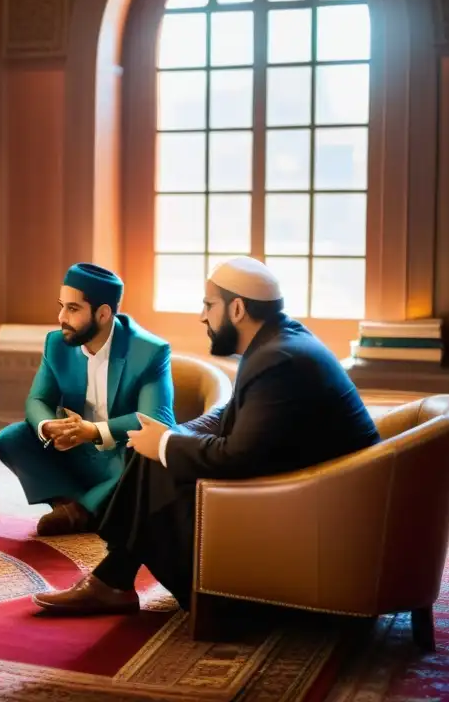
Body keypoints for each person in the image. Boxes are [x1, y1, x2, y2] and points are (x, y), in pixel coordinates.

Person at [33, 256, 381, 614]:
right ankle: (113, 579)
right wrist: (169, 436)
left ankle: (130, 582)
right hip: (309, 491)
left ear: (238, 308)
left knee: (159, 460)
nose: (202, 315)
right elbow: (230, 417)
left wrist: (166, 444)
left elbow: (237, 456)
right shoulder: (277, 342)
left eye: (209, 305)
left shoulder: (279, 358)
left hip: (319, 513)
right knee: (152, 450)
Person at [0, 263, 177, 536]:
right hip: (73, 451)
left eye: (73, 308)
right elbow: (38, 399)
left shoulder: (149, 350)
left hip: (120, 457)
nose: (61, 317)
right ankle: (70, 506)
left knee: (146, 459)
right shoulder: (56, 344)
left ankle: (84, 511)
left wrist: (92, 431)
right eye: (61, 306)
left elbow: (157, 419)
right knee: (11, 437)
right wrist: (48, 426)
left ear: (103, 313)